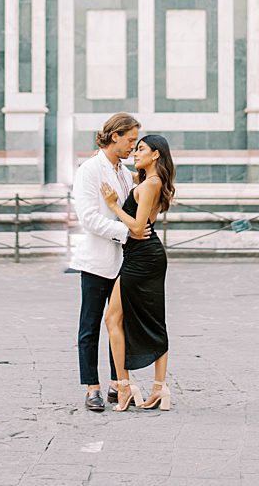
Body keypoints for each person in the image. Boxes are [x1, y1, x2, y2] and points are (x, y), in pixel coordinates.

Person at [101, 132, 176, 411]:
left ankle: (124, 385)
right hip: (145, 257)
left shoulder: (151, 184)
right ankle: (158, 388)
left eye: (141, 148)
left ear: (156, 154)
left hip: (142, 258)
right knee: (148, 319)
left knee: (113, 319)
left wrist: (112, 206)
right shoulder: (149, 182)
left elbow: (136, 228)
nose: (135, 152)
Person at [70, 112, 139, 413]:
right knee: (90, 325)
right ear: (115, 136)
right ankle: (91, 388)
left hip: (123, 261)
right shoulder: (89, 170)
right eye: (130, 140)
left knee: (119, 324)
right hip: (96, 260)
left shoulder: (124, 172)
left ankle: (116, 384)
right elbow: (88, 218)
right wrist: (127, 232)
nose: (133, 147)